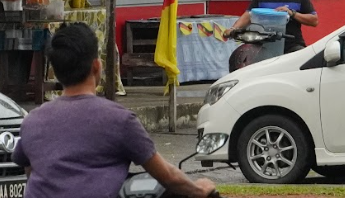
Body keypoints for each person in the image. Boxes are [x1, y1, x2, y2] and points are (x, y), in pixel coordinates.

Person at [13, 23, 217, 198]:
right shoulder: (119, 120)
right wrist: (200, 189)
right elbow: (168, 177)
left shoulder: (32, 121)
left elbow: (31, 171)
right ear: (96, 66)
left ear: (55, 71)